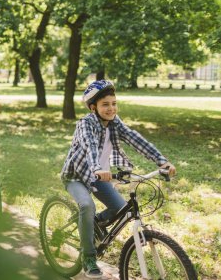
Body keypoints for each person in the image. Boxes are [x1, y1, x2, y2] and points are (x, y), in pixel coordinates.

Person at [60, 79, 177, 278]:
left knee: (121, 210)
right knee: (87, 206)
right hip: (77, 176)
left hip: (98, 176)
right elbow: (89, 147)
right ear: (93, 107)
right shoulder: (85, 124)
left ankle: (92, 224)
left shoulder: (115, 123)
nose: (111, 108)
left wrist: (161, 161)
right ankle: (88, 258)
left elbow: (135, 138)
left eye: (114, 103)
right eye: (105, 104)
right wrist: (98, 168)